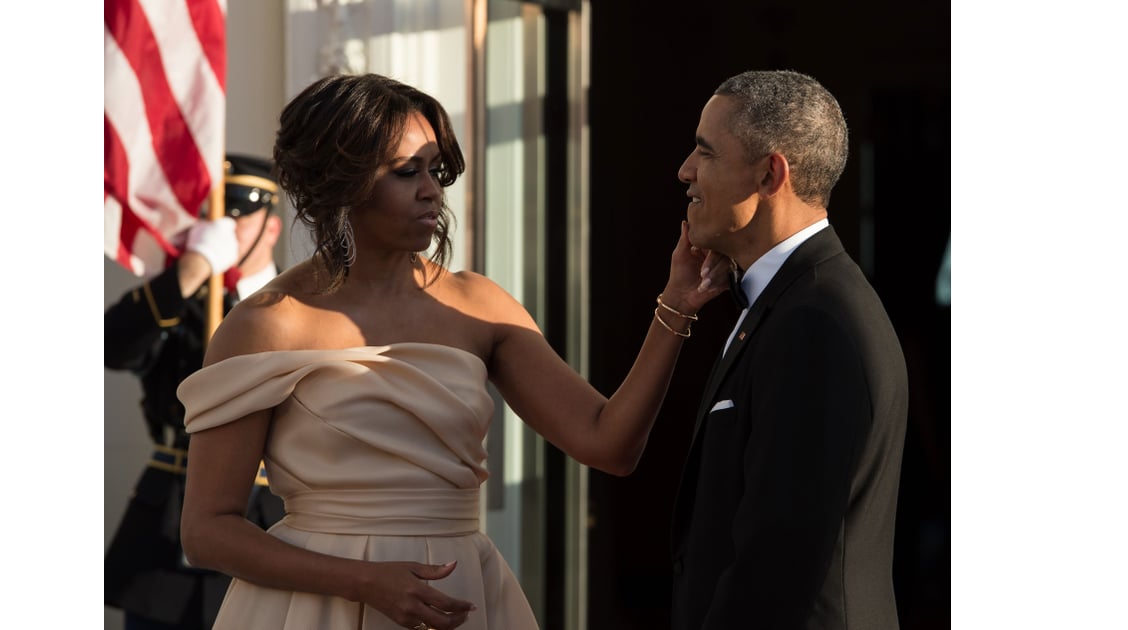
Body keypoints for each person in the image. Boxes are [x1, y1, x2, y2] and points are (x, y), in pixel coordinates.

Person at [174, 72, 732, 630]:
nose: (431, 191)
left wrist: (676, 306)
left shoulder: (479, 305)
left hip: (461, 597)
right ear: (338, 182)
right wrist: (363, 582)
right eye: (406, 172)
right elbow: (207, 531)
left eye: (435, 170)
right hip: (312, 610)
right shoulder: (267, 324)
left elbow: (610, 444)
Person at [668, 70, 909, 629]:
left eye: (705, 152)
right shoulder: (794, 300)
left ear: (770, 174)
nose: (685, 171)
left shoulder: (816, 322)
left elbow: (776, 567)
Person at [105, 154, 287, 630]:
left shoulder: (303, 303)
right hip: (172, 529)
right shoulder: (183, 303)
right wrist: (188, 273)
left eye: (237, 216)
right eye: (212, 217)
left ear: (271, 227)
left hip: (275, 523)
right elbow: (112, 346)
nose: (223, 227)